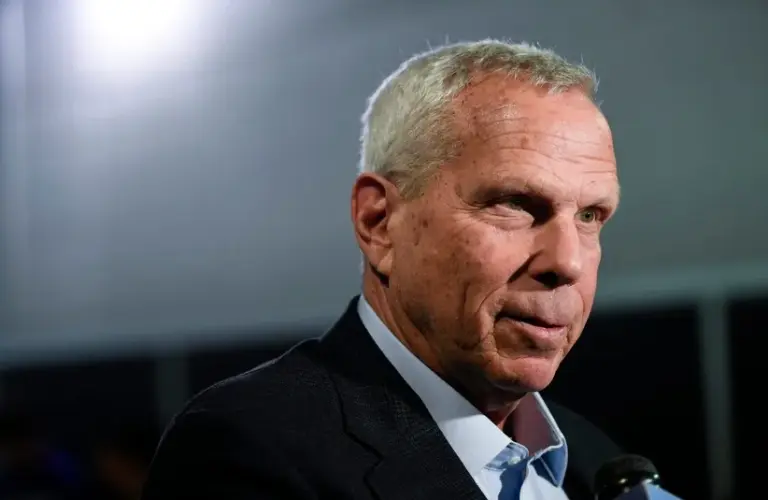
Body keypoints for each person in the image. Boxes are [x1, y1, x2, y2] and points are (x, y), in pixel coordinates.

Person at [142, 39, 623, 500]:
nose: (568, 261)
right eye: (515, 204)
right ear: (380, 224)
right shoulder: (249, 449)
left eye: (589, 216)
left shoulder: (598, 462)